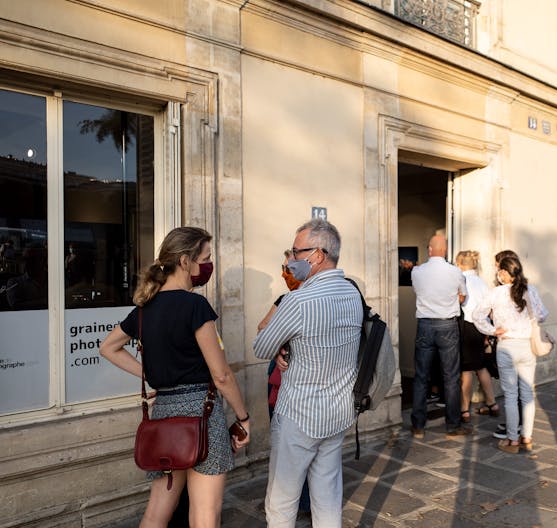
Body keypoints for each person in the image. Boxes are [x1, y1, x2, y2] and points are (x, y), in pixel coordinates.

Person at [99, 226, 250, 527]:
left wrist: (150, 373)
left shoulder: (144, 309)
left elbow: (108, 347)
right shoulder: (195, 305)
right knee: (205, 513)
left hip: (164, 415)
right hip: (202, 414)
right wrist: (243, 418)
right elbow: (221, 375)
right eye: (205, 258)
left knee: (157, 512)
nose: (208, 266)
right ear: (185, 261)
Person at [252, 218, 362, 528]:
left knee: (281, 501)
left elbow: (261, 346)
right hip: (339, 410)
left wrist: (279, 345)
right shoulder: (352, 293)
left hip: (299, 415)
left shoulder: (298, 300)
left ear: (318, 255)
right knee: (327, 494)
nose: (291, 259)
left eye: (296, 252)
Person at [473, 255, 548, 453]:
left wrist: (492, 330)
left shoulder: (496, 293)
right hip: (527, 346)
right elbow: (542, 315)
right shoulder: (530, 290)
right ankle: (527, 437)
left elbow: (477, 315)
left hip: (507, 346)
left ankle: (513, 440)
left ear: (505, 273)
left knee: (511, 395)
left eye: (500, 271)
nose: (498, 274)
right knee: (527, 394)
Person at [256, 249, 310, 516]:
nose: (285, 273)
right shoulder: (286, 298)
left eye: (289, 268)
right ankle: (300, 502)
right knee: (288, 440)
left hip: (298, 376)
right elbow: (261, 327)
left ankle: (297, 503)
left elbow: (264, 329)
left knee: (296, 441)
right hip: (282, 372)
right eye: (284, 268)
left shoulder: (302, 299)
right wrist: (278, 346)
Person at [409, 234, 470, 439]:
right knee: (451, 377)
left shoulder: (417, 272)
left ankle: (418, 426)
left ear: (429, 249)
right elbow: (462, 297)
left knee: (421, 376)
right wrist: (450, 300)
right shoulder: (455, 272)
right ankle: (453, 426)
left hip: (425, 325)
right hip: (447, 325)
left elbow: (419, 292)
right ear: (445, 250)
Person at [454, 250, 498, 422]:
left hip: (467, 326)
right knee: (480, 366)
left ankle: (464, 409)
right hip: (481, 327)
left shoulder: (461, 280)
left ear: (460, 264)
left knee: (466, 370)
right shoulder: (482, 282)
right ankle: (492, 404)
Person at [490, 249, 519, 441]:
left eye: (496, 265)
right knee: (520, 390)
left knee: (512, 391)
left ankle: (513, 430)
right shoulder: (522, 287)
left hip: (509, 343)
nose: (494, 269)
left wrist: (492, 330)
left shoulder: (502, 291)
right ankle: (518, 427)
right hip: (520, 343)